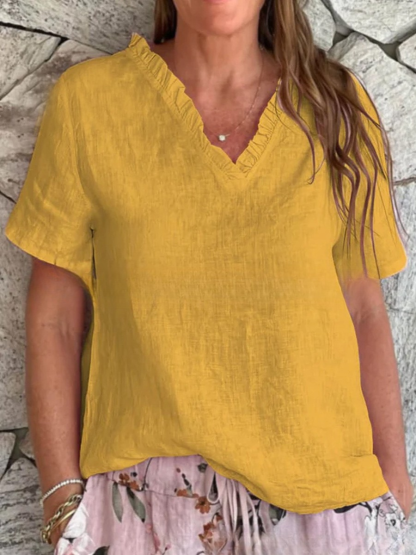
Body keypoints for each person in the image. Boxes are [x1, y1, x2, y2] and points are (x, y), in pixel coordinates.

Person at [4, 0, 414, 553]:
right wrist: (61, 499)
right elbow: (54, 318)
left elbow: (363, 306)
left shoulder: (336, 104)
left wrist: (394, 481)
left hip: (323, 506)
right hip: (142, 510)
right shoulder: (90, 102)